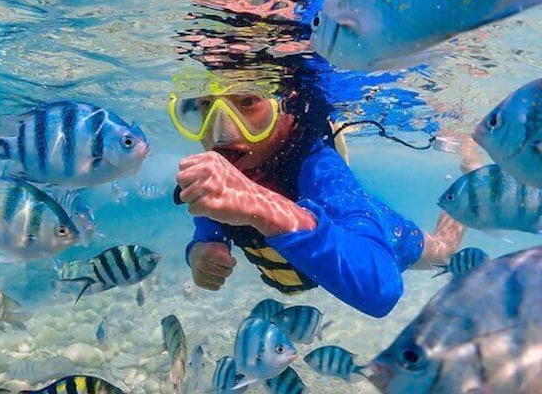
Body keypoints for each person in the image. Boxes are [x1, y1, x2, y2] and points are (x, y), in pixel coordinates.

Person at [170, 75, 466, 318]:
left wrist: (264, 207)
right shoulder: (223, 168)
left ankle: (468, 182)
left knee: (442, 251)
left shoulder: (319, 166)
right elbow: (209, 229)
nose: (223, 132)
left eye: (248, 102)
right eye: (206, 106)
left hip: (384, 232)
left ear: (289, 108)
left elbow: (382, 290)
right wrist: (199, 253)